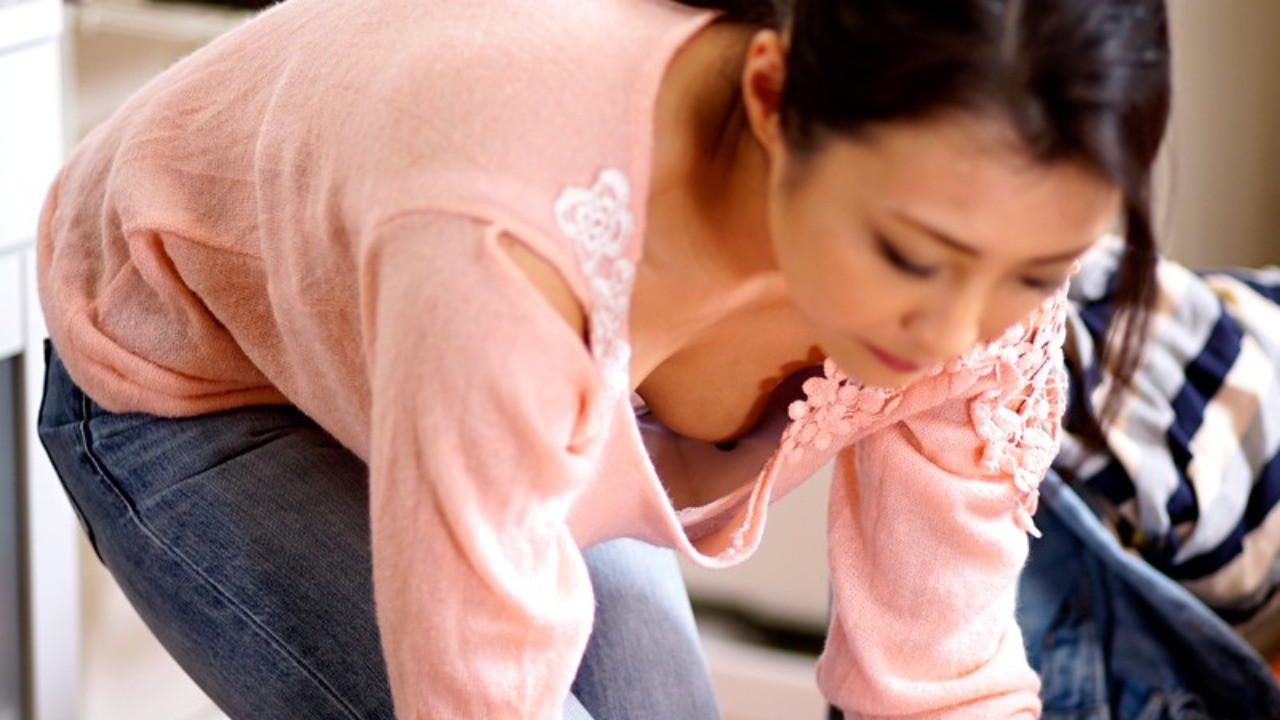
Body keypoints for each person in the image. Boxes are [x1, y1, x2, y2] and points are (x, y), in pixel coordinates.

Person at [34, 0, 1170, 717]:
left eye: (1030, 271)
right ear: (771, 100)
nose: (950, 331)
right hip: (197, 351)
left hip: (500, 382)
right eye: (905, 255)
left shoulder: (987, 258)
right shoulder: (510, 234)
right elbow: (481, 702)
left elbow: (938, 682)